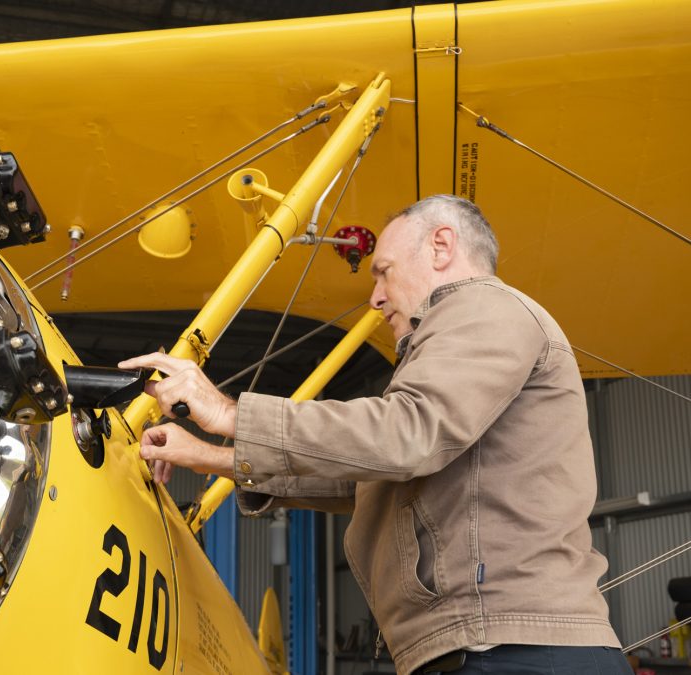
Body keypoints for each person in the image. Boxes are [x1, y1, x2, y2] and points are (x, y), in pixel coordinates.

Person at [119, 195, 629, 675]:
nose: (375, 297)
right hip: (492, 648)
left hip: (511, 652)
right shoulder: (453, 343)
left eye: (384, 271)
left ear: (442, 246)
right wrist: (209, 456)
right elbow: (368, 477)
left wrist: (228, 412)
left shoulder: (483, 307)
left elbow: (406, 435)